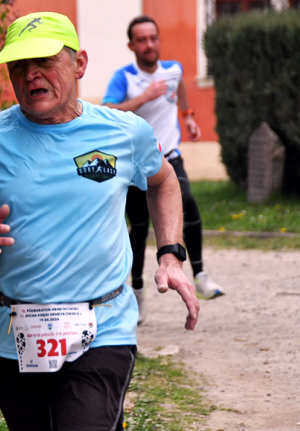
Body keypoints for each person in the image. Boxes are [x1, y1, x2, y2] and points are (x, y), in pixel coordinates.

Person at [0, 12, 199, 431]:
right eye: (19, 66)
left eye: (44, 61)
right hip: (12, 335)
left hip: (102, 327)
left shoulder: (123, 132)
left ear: (79, 64)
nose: (30, 75)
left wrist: (171, 254)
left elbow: (163, 181)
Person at [102, 15, 225, 323]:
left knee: (188, 202)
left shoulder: (173, 70)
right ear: (131, 45)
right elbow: (107, 110)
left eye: (153, 38)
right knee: (139, 227)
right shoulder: (125, 78)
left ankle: (200, 274)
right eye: (141, 40)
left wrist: (189, 115)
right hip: (135, 164)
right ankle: (138, 290)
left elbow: (180, 87)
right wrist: (142, 98)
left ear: (159, 40)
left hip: (169, 156)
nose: (149, 45)